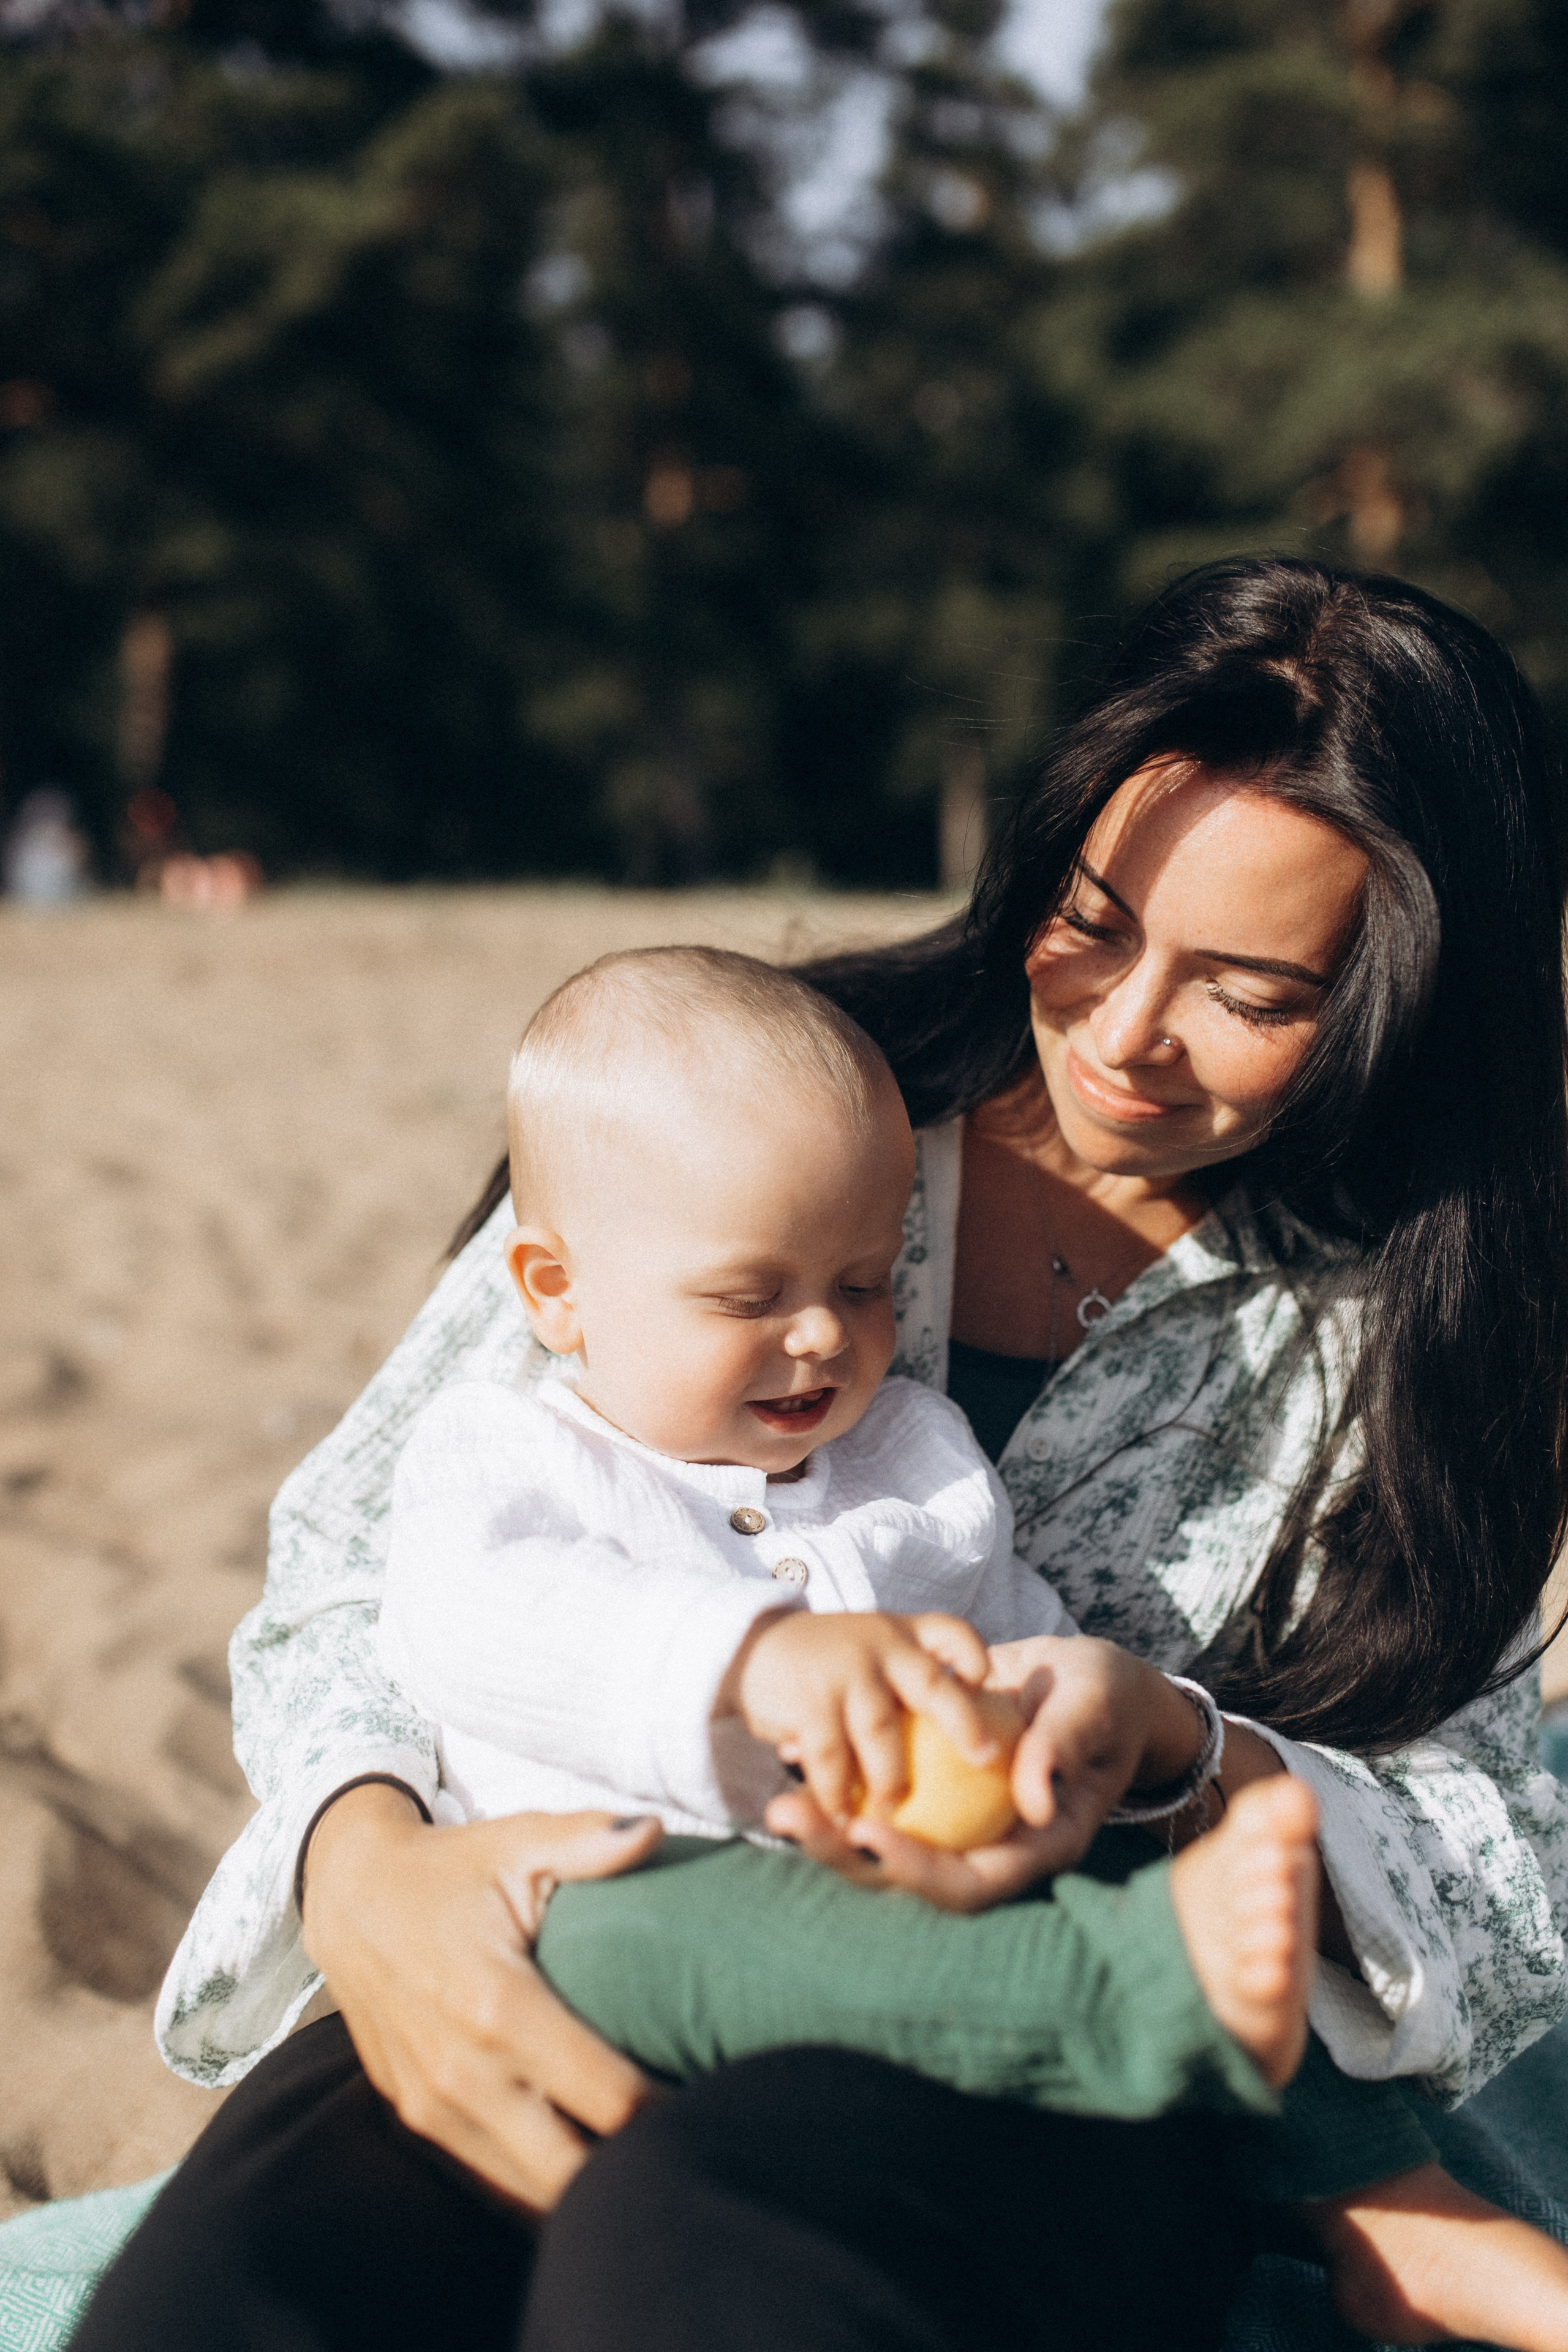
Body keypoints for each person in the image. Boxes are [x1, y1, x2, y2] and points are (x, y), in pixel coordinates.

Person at [91, 559, 1568, 2352]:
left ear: (1409, 997)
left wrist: (1175, 1746)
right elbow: (363, 1562)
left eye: (1250, 994)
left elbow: (1502, 1864)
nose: (1118, 1035)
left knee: (714, 2258)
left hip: (1024, 2009)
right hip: (551, 1906)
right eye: (1092, 920)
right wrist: (369, 1873)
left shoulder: (1428, 1321)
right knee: (237, 2294)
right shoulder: (745, 1093)